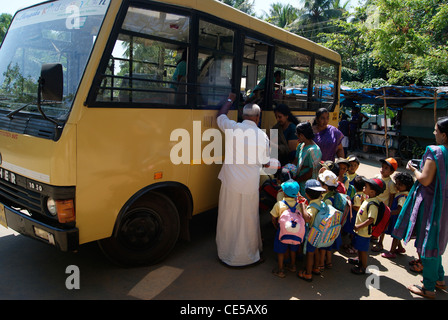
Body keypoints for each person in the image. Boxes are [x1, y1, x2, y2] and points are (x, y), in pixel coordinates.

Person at [393, 117, 448, 299]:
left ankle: (429, 287)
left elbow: (425, 179)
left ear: (444, 135)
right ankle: (439, 279)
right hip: (444, 204)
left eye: (436, 131)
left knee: (428, 244)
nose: (434, 134)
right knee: (436, 241)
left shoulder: (435, 151)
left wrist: (412, 169)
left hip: (431, 204)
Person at [215, 93, 270, 267]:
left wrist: (230, 99)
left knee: (228, 218)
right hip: (249, 186)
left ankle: (225, 254)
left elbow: (220, 116)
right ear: (258, 117)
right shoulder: (263, 137)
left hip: (230, 183)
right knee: (248, 221)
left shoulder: (233, 127)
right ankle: (247, 257)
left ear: (243, 115)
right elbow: (265, 162)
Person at [349, 177, 385, 275]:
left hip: (364, 232)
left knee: (363, 250)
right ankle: (359, 259)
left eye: (366, 186)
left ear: (372, 192)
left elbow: (371, 219)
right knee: (359, 247)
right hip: (360, 230)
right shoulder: (368, 199)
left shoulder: (373, 205)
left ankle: (363, 267)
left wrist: (359, 226)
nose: (364, 187)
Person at [270, 181, 305, 278]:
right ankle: (293, 266)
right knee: (293, 249)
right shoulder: (299, 204)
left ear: (284, 193)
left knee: (281, 251)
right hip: (296, 232)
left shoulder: (279, 204)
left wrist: (276, 226)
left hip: (282, 231)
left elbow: (273, 218)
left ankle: (281, 270)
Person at [297, 179, 326, 282]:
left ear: (307, 194)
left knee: (310, 253)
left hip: (313, 233)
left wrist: (302, 206)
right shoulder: (321, 203)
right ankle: (316, 268)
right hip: (320, 231)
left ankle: (308, 273)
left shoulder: (312, 207)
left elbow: (307, 218)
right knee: (316, 250)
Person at [381, 172, 413, 259]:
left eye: (400, 185)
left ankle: (391, 252)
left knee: (395, 235)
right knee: (396, 234)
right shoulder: (402, 193)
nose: (397, 186)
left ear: (407, 186)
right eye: (397, 184)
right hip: (398, 219)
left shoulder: (402, 196)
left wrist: (389, 213)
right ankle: (400, 248)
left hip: (398, 219)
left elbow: (399, 210)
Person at [372, 157, 398, 252]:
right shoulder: (376, 177)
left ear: (391, 172)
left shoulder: (391, 183)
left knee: (382, 225)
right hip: (374, 204)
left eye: (386, 168)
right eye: (382, 167)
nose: (383, 169)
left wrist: (389, 208)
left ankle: (380, 243)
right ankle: (373, 236)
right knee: (373, 221)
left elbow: (392, 196)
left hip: (383, 207)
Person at [293, 122, 322, 193]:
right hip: (298, 182)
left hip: (307, 186)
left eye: (298, 135)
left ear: (302, 135)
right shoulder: (301, 146)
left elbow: (311, 172)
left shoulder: (313, 150)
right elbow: (296, 161)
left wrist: (297, 180)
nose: (297, 137)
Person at [343, 175, 365, 255]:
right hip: (360, 216)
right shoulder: (364, 195)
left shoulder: (357, 197)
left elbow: (357, 207)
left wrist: (350, 204)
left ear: (355, 186)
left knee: (353, 232)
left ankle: (353, 247)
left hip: (355, 216)